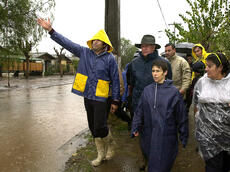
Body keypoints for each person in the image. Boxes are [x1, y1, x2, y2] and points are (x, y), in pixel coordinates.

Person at [37, 18, 120, 167]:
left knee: (100, 126)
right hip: (87, 95)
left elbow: (115, 80)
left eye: (98, 40)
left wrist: (115, 101)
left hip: (101, 97)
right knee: (92, 127)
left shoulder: (110, 59)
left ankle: (111, 143)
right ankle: (100, 154)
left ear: (104, 44)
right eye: (93, 40)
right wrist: (51, 30)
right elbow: (66, 43)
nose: (94, 42)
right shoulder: (84, 52)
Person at [131, 60, 189, 172]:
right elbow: (140, 111)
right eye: (153, 71)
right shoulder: (147, 90)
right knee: (152, 161)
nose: (155, 74)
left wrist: (183, 135)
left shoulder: (173, 92)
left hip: (166, 136)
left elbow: (181, 115)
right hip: (148, 135)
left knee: (161, 165)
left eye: (158, 71)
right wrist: (135, 127)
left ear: (165, 72)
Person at [128, 34, 172, 170]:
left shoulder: (164, 63)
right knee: (141, 134)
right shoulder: (133, 64)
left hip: (158, 106)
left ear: (154, 47)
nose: (144, 48)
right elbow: (131, 84)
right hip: (138, 105)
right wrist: (130, 103)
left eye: (147, 46)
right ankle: (144, 157)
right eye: (142, 46)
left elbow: (169, 85)